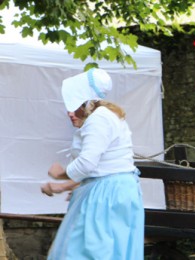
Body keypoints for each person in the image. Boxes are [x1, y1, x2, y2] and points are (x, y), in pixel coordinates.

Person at [41, 68, 144, 259]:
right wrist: (63, 186)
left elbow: (87, 165)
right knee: (105, 251)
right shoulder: (106, 116)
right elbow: (102, 168)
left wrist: (61, 174)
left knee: (88, 252)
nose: (70, 111)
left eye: (75, 105)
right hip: (112, 191)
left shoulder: (99, 120)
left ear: (85, 100)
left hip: (107, 196)